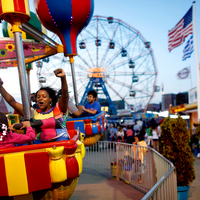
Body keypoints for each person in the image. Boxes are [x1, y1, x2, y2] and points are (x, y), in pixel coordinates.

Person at [0, 68, 69, 143]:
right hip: (41, 144)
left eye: (44, 97)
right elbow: (12, 102)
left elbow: (65, 95)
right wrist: (0, 87)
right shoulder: (33, 113)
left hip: (61, 143)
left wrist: (63, 78)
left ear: (50, 99)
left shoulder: (59, 108)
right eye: (38, 97)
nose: (40, 99)